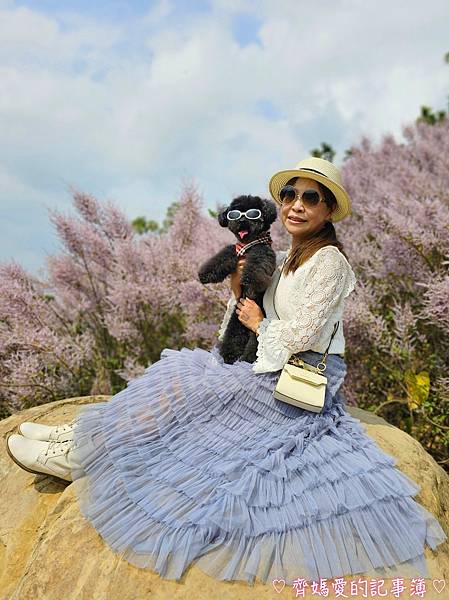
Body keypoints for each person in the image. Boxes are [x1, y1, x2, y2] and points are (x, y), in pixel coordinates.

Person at [6, 157, 447, 586]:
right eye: (290, 194)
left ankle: (85, 454)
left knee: (197, 393)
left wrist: (258, 324)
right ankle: (86, 435)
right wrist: (240, 289)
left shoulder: (329, 261)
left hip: (302, 371)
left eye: (310, 197)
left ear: (328, 209)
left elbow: (300, 332)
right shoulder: (286, 254)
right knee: (184, 372)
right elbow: (247, 308)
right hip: (270, 359)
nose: (297, 204)